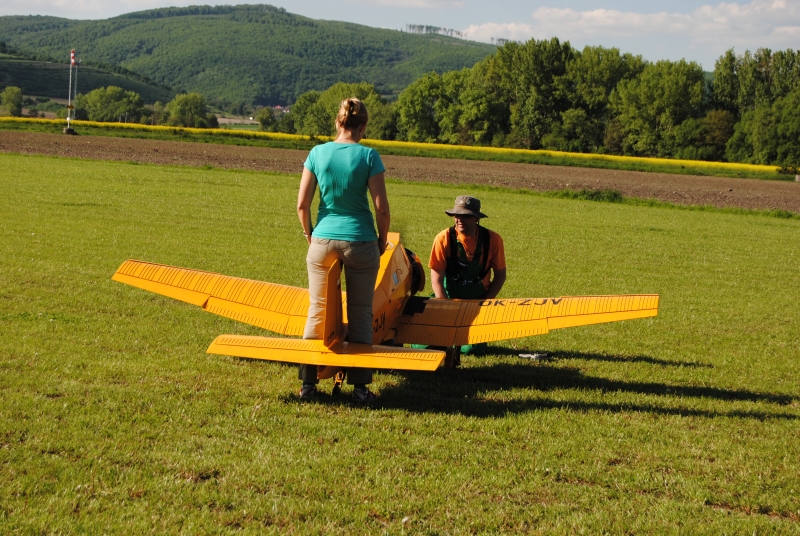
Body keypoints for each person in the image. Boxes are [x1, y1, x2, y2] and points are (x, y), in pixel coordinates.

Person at [296, 97, 390, 401]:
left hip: (322, 239)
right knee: (361, 313)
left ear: (338, 122)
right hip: (361, 240)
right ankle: (360, 388)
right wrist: (381, 239)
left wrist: (310, 234)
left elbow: (302, 205)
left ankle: (308, 384)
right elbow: (382, 209)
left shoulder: (317, 153)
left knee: (317, 310)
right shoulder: (369, 156)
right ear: (362, 126)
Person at [429, 195, 506, 356]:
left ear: (477, 219)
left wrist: (486, 303)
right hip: (448, 297)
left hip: (477, 301)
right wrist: (445, 306)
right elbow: (436, 276)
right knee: (427, 345)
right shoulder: (443, 238)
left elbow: (500, 275)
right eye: (457, 215)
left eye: (466, 216)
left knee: (471, 350)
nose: (460, 220)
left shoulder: (493, 239)